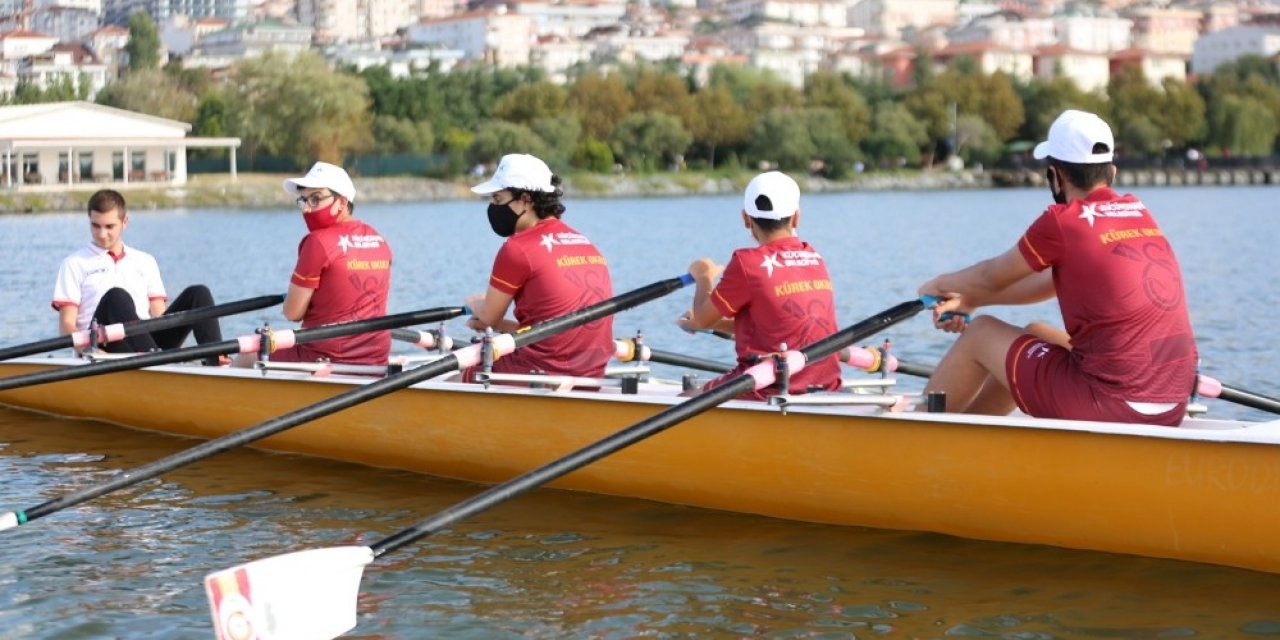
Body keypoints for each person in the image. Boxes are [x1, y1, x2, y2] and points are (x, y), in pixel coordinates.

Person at [917, 109, 1197, 426]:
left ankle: (917, 444)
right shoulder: (1138, 212)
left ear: (1056, 176)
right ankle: (971, 441)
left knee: (980, 334)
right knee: (1036, 333)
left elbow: (990, 276)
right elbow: (1049, 280)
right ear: (1113, 172)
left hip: (1115, 404)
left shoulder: (1063, 222)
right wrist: (974, 299)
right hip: (1172, 402)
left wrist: (939, 285)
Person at [676, 171, 840, 401]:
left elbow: (703, 317)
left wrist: (703, 276)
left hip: (770, 386)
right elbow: (777, 325)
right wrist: (717, 324)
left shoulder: (747, 263)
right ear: (796, 218)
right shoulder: (813, 256)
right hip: (826, 384)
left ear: (745, 219)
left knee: (685, 397)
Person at [465, 153, 614, 381]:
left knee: (458, 374)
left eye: (497, 199)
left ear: (525, 199)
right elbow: (556, 328)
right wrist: (502, 325)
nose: (493, 208)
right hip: (592, 372)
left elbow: (487, 318)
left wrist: (477, 306)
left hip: (542, 371)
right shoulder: (585, 243)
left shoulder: (518, 248)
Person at [51, 189, 223, 361]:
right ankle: (155, 359)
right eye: (95, 226)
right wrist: (87, 348)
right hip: (103, 344)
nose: (102, 234)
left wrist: (174, 341)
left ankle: (217, 360)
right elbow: (67, 326)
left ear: (125, 222)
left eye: (109, 227)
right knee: (116, 296)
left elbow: (160, 317)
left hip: (147, 341)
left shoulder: (145, 261)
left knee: (198, 294)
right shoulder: (74, 263)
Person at [271, 161, 392, 365]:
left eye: (316, 199)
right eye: (304, 200)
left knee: (249, 353)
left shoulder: (317, 242)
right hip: (376, 358)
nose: (307, 209)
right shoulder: (380, 240)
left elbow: (292, 313)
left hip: (325, 357)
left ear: (342, 203)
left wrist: (298, 299)